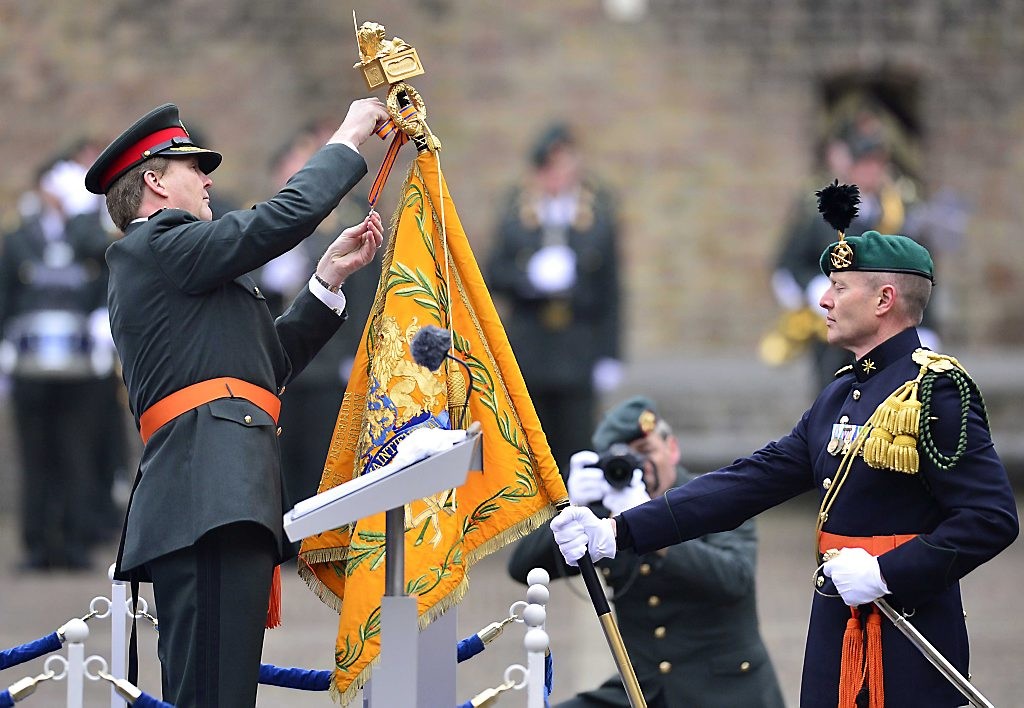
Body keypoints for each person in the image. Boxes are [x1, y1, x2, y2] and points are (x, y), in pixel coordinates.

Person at [551, 230, 1019, 707]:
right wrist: (619, 530)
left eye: (839, 287)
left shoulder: (936, 392)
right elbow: (747, 484)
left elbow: (991, 518)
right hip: (837, 627)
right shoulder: (839, 393)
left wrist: (888, 573)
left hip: (907, 632)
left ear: (884, 299)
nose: (823, 300)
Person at [84, 98, 389, 707]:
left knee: (221, 687)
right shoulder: (160, 245)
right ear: (154, 181)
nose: (207, 178)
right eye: (193, 167)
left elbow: (262, 369)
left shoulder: (180, 260)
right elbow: (281, 219)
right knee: (213, 691)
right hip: (207, 493)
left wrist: (324, 284)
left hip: (222, 489)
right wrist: (351, 135)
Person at [509, 396, 785, 707]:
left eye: (645, 453)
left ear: (673, 448)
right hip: (644, 688)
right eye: (625, 459)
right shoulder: (605, 513)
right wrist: (571, 506)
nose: (639, 466)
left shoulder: (716, 498)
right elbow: (523, 568)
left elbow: (735, 579)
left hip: (723, 690)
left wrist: (646, 525)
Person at [253, 125, 381, 525]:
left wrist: (359, 352)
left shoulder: (343, 220)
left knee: (323, 452)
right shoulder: (261, 219)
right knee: (281, 453)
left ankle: (320, 533)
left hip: (328, 357)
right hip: (276, 356)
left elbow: (363, 296)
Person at [485, 122, 622, 470]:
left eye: (562, 166)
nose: (555, 177)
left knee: (577, 446)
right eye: (547, 168)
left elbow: (611, 291)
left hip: (578, 346)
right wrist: (528, 278)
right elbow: (494, 273)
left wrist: (610, 353)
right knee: (532, 446)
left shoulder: (597, 217)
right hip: (532, 346)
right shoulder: (518, 215)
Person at [0, 155, 113, 571]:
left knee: (76, 454)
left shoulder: (88, 234)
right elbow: (6, 294)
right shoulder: (18, 238)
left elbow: (106, 274)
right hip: (31, 365)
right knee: (36, 455)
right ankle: (37, 544)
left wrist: (104, 318)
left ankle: (74, 541)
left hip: (80, 366)